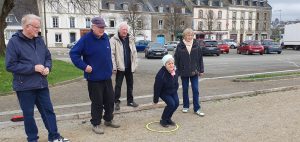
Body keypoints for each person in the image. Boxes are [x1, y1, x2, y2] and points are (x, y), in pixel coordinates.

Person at [5, 14, 69, 142]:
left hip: (41, 84)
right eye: (36, 27)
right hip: (24, 86)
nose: (38, 30)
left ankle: (54, 136)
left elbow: (48, 58)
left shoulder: (39, 40)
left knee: (48, 111)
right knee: (29, 115)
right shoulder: (14, 42)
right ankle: (32, 139)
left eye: (39, 27)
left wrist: (47, 68)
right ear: (27, 26)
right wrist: (33, 68)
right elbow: (10, 65)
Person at [69, 16, 120, 135]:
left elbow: (107, 54)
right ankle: (96, 123)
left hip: (106, 76)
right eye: (100, 27)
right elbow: (74, 54)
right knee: (97, 102)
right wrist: (84, 66)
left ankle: (108, 119)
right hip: (94, 78)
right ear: (93, 27)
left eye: (103, 27)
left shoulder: (105, 38)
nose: (102, 29)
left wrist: (111, 66)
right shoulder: (86, 39)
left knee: (110, 100)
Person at [174, 28, 205, 117]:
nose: (190, 37)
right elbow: (177, 59)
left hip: (194, 71)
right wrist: (176, 71)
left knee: (195, 90)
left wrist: (201, 70)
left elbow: (200, 59)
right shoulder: (180, 46)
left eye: (191, 35)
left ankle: (197, 108)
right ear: (184, 36)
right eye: (188, 35)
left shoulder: (196, 45)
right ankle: (186, 106)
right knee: (185, 89)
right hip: (184, 72)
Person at [110, 22, 138, 110]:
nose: (125, 31)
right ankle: (116, 102)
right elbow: (112, 54)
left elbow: (134, 53)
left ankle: (130, 101)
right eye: (123, 30)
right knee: (118, 85)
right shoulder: (113, 40)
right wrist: (114, 67)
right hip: (120, 67)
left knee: (130, 85)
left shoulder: (131, 39)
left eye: (126, 30)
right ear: (119, 30)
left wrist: (135, 64)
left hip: (129, 66)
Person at [153, 54, 179, 127]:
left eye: (172, 63)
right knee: (171, 104)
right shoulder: (161, 75)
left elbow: (176, 81)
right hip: (164, 92)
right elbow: (156, 88)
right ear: (165, 65)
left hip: (173, 91)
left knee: (176, 103)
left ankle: (168, 118)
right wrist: (155, 100)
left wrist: (175, 89)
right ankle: (163, 120)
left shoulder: (175, 70)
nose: (171, 65)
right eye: (169, 64)